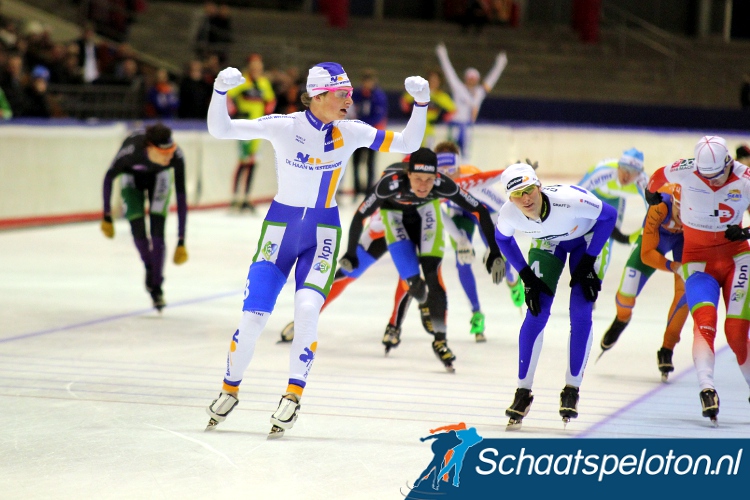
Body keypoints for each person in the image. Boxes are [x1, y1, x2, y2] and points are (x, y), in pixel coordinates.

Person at [203, 62, 430, 437]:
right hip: (280, 231)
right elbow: (220, 129)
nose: (349, 100)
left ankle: (292, 395)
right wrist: (219, 92)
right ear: (319, 96)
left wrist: (420, 105)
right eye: (343, 94)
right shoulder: (284, 125)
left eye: (351, 93)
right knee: (253, 318)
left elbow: (407, 144)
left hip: (323, 231)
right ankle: (230, 388)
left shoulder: (351, 131)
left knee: (308, 309)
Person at [341, 148, 505, 371]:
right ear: (408, 174)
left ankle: (440, 341)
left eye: (429, 180)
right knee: (415, 285)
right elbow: (361, 215)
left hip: (426, 212)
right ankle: (424, 302)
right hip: (394, 216)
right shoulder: (390, 183)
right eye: (417, 178)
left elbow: (479, 210)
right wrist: (351, 251)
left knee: (432, 276)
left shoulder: (442, 184)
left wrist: (494, 250)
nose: (423, 185)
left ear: (436, 177)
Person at [495, 163, 617, 429]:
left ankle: (571, 389)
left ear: (539, 186)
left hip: (588, 239)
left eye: (530, 190)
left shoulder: (569, 200)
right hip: (548, 243)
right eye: (518, 194)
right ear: (509, 198)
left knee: (581, 312)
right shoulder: (509, 214)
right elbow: (502, 240)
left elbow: (609, 216)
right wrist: (526, 276)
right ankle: (522, 392)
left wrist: (589, 261)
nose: (526, 199)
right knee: (536, 311)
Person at [646, 136, 750, 425]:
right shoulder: (686, 168)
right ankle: (706, 388)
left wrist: (747, 233)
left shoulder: (745, 178)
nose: (713, 183)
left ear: (729, 164)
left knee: (736, 332)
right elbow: (655, 178)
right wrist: (650, 196)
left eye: (717, 176)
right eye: (706, 178)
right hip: (698, 261)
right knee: (704, 322)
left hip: (737, 259)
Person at [433, 141, 524, 342]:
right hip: (459, 213)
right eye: (442, 172)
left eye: (451, 171)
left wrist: (494, 244)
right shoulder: (434, 183)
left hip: (486, 211)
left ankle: (512, 279)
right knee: (462, 260)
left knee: (499, 255)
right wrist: (460, 240)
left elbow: (500, 207)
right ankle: (476, 313)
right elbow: (439, 214)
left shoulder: (472, 180)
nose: (448, 178)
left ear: (458, 167)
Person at [597, 183, 687, 382]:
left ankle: (667, 348)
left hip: (686, 240)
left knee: (685, 293)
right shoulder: (660, 206)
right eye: (681, 209)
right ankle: (622, 318)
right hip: (657, 238)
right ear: (674, 202)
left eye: (691, 211)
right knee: (627, 291)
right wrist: (673, 266)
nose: (684, 216)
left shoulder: (700, 212)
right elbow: (647, 255)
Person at [100, 123, 189, 311]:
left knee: (158, 235)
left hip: (160, 178)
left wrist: (181, 239)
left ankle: (156, 286)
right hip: (132, 179)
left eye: (171, 151)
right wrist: (106, 215)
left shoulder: (175, 156)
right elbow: (108, 178)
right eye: (163, 153)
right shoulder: (130, 153)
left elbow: (181, 198)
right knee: (138, 231)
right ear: (149, 147)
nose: (169, 156)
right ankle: (150, 268)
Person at [578, 148, 648, 277]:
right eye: (624, 169)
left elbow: (653, 210)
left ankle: (597, 275)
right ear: (618, 167)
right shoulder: (604, 172)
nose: (627, 176)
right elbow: (577, 193)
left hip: (615, 199)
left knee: (608, 236)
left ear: (639, 174)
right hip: (594, 194)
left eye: (632, 172)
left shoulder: (643, 182)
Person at [435, 43, 507, 158]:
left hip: (468, 126)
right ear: (465, 78)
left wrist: (501, 63)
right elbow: (449, 72)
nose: (471, 81)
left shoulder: (479, 92)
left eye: (474, 78)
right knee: (450, 152)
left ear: (477, 80)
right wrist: (442, 54)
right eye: (469, 78)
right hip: (455, 125)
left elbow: (491, 79)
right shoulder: (459, 88)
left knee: (466, 154)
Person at [226, 53, 276, 212]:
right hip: (244, 127)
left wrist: (268, 112)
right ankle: (235, 197)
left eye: (259, 66)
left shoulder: (263, 82)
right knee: (243, 161)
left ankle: (246, 196)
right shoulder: (242, 82)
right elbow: (228, 96)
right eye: (254, 66)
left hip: (258, 127)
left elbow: (271, 99)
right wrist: (234, 111)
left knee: (253, 162)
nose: (256, 69)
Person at [350, 68, 388, 198]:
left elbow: (379, 116)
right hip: (358, 133)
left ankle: (369, 189)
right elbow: (351, 110)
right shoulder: (357, 94)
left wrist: (362, 124)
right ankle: (357, 188)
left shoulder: (378, 96)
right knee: (356, 161)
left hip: (372, 133)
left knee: (370, 162)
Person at [400, 69, 455, 149]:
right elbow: (404, 100)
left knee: (426, 152)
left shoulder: (441, 96)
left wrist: (441, 119)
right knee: (410, 151)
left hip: (429, 129)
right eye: (432, 80)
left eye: (436, 80)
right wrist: (408, 114)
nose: (434, 82)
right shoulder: (420, 91)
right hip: (415, 126)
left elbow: (453, 110)